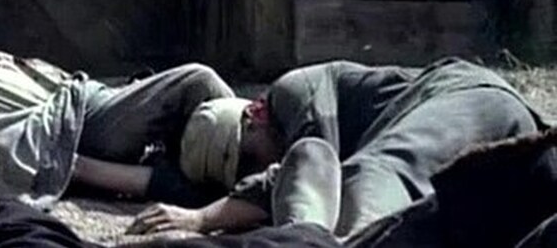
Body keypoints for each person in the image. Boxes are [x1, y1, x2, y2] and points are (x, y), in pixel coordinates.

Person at [127, 58, 549, 241]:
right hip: (503, 155)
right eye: (242, 173)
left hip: (471, 98)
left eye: (250, 157)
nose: (260, 169)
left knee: (371, 173)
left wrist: (203, 218)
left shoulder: (293, 93)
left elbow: (320, 166)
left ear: (255, 113)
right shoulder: (280, 128)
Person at [0, 50, 234, 206]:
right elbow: (78, 166)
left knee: (201, 86)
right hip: (76, 118)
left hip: (70, 105)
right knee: (199, 80)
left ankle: (244, 176)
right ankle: (245, 184)